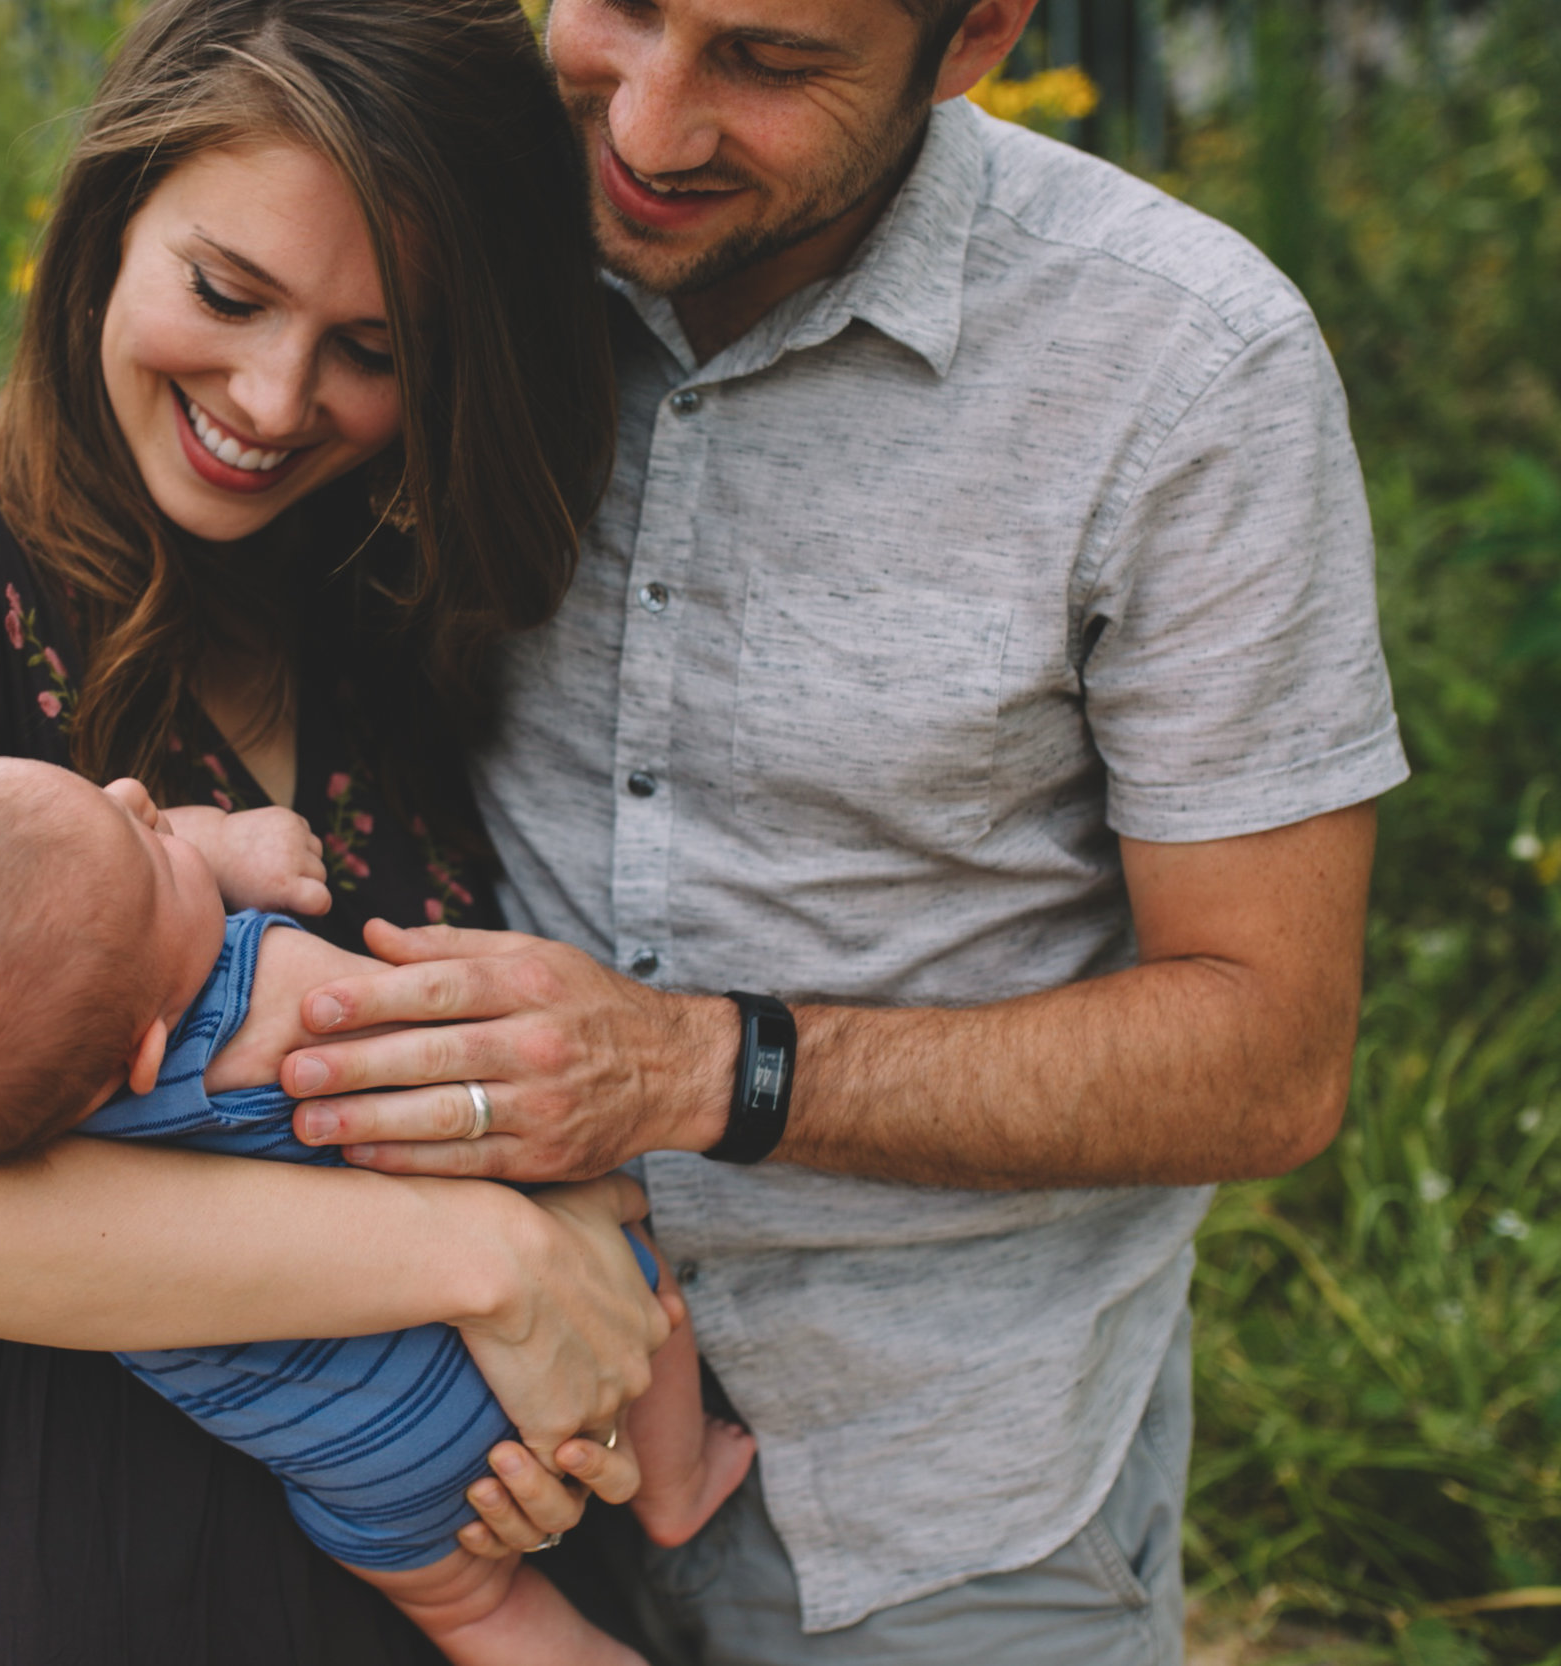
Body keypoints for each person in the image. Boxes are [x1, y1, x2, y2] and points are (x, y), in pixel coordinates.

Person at [270, 1, 1410, 1662]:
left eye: (772, 62)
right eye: (621, 10)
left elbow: (1271, 1050)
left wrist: (696, 1066)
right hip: (471, 1445)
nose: (651, 132)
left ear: (976, 37)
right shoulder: (445, 230)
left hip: (943, 1503)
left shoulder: (1185, 368)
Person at [0, 3, 668, 1659]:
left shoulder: (375, 622)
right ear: (108, 218)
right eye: (227, 292)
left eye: (373, 350)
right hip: (30, 1583)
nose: (273, 395)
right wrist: (486, 1261)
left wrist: (544, 1339)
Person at [0, 758, 757, 1664]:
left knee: (475, 1610)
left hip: (375, 1482)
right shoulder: (273, 995)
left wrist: (183, 855)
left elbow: (110, 907)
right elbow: (459, 1053)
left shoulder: (43, 1148)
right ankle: (674, 1486)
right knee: (628, 1252)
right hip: (529, 1338)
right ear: (148, 1047)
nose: (131, 792)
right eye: (154, 849)